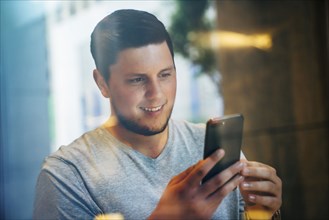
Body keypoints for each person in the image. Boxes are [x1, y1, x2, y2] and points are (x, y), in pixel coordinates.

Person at [33, 9, 282, 220]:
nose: (156, 94)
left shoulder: (212, 149)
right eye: (137, 80)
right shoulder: (67, 175)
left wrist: (262, 213)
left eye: (165, 75)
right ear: (102, 83)